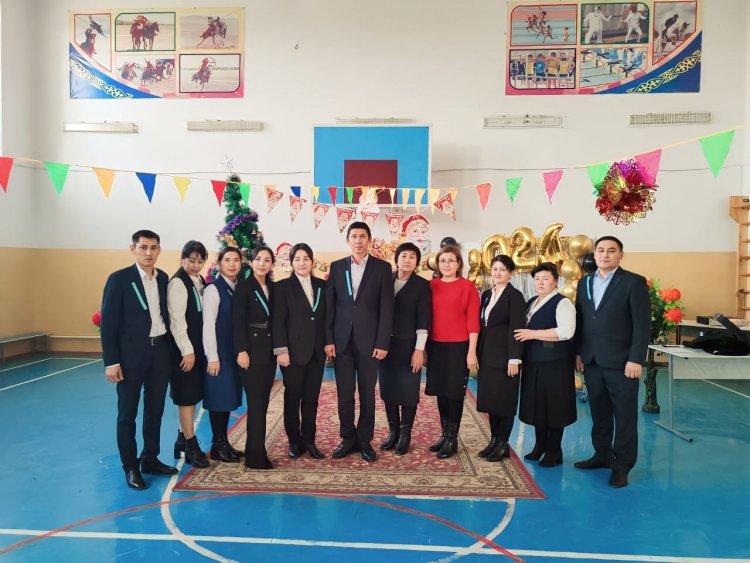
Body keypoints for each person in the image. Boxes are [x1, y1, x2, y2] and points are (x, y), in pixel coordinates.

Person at [101, 229, 177, 490]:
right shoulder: (119, 280)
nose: (148, 252)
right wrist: (111, 361)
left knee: (155, 409)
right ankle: (130, 466)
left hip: (160, 353)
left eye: (153, 248)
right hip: (130, 358)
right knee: (127, 413)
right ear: (132, 248)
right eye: (143, 247)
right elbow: (108, 324)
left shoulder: (163, 278)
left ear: (159, 250)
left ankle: (150, 458)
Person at [574, 236, 650, 488]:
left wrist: (636, 359)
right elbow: (582, 320)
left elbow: (642, 325)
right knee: (599, 413)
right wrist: (579, 352)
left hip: (622, 363)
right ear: (594, 254)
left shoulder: (633, 282)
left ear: (620, 255)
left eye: (611, 250)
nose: (605, 255)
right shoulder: (585, 282)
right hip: (592, 360)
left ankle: (622, 466)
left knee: (625, 416)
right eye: (601, 250)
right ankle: (602, 454)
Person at [325, 221, 394, 462]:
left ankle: (364, 440)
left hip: (370, 343)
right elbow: (330, 306)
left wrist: (383, 342)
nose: (358, 240)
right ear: (348, 240)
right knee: (344, 394)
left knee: (367, 394)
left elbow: (387, 308)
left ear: (369, 240)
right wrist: (328, 339)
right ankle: (347, 438)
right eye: (354, 236)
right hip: (341, 343)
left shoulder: (382, 268)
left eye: (362, 236)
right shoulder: (337, 267)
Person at [514, 262, 577, 468]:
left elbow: (566, 331)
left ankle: (554, 450)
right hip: (534, 362)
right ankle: (539, 446)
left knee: (554, 406)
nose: (540, 283)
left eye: (545, 278)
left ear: (556, 281)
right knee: (537, 405)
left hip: (555, 363)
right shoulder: (532, 301)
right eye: (537, 279)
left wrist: (532, 334)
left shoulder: (563, 303)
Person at [272, 243, 326, 460]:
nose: (302, 263)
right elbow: (278, 321)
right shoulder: (282, 287)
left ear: (312, 261)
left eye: (306, 259)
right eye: (297, 259)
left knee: (312, 399)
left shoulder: (322, 285)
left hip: (317, 353)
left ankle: (309, 441)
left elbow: (326, 318)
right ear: (291, 262)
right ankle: (294, 441)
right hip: (292, 353)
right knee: (293, 398)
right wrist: (281, 350)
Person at [426, 246, 480, 459]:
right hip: (435, 346)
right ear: (437, 264)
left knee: (455, 393)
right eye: (443, 261)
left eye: (451, 260)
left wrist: (471, 352)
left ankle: (452, 439)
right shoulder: (431, 286)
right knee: (441, 392)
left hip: (459, 347)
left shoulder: (468, 286)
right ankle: (444, 434)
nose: (447, 265)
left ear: (458, 264)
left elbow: (473, 321)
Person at [378, 242, 431, 456]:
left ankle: (405, 434)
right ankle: (393, 432)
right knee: (388, 388)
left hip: (409, 346)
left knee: (408, 390)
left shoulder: (422, 285)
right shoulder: (385, 279)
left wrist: (419, 350)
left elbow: (424, 319)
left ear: (417, 262)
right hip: (385, 346)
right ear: (397, 258)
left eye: (412, 257)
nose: (407, 260)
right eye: (404, 256)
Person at [476, 255, 525, 462]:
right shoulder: (487, 294)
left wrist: (515, 358)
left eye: (503, 269)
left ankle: (503, 443)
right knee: (492, 401)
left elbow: (516, 328)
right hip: (487, 356)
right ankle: (494, 440)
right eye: (495, 269)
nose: (498, 273)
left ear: (510, 273)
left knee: (504, 401)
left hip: (506, 358)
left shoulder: (515, 296)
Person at [233, 246, 277, 469]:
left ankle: (257, 449)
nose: (262, 263)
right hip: (250, 352)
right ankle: (255, 456)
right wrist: (241, 350)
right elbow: (237, 320)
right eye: (258, 259)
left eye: (267, 260)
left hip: (268, 352)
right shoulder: (244, 286)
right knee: (256, 402)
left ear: (272, 264)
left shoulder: (273, 287)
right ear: (251, 262)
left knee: (263, 402)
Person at [168, 240, 209, 468]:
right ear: (182, 259)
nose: (195, 265)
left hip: (197, 350)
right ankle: (192, 447)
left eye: (200, 261)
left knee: (192, 396)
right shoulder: (178, 283)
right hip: (185, 353)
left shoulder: (199, 280)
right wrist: (187, 351)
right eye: (191, 261)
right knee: (186, 398)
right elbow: (177, 322)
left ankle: (181, 440)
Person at [202, 247, 244, 464]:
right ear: (219, 263)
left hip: (232, 354)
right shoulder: (213, 290)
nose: (232, 264)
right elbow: (208, 325)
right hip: (219, 356)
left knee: (227, 399)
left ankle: (223, 442)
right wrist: (212, 357)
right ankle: (217, 445)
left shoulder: (237, 287)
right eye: (227, 260)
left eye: (236, 260)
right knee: (218, 400)